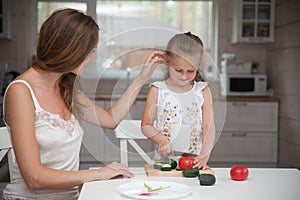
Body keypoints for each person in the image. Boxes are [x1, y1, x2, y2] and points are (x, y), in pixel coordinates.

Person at [2, 8, 166, 200]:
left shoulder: (65, 87)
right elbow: (34, 178)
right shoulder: (20, 91)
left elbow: (110, 119)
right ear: (70, 49)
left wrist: (141, 78)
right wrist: (97, 173)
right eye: (91, 51)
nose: (93, 57)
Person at [141, 32, 215, 169]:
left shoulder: (202, 91)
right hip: (164, 163)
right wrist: (161, 140)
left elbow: (209, 128)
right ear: (167, 62)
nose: (184, 76)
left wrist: (204, 156)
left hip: (195, 163)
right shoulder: (158, 90)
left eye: (190, 71)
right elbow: (146, 125)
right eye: (178, 70)